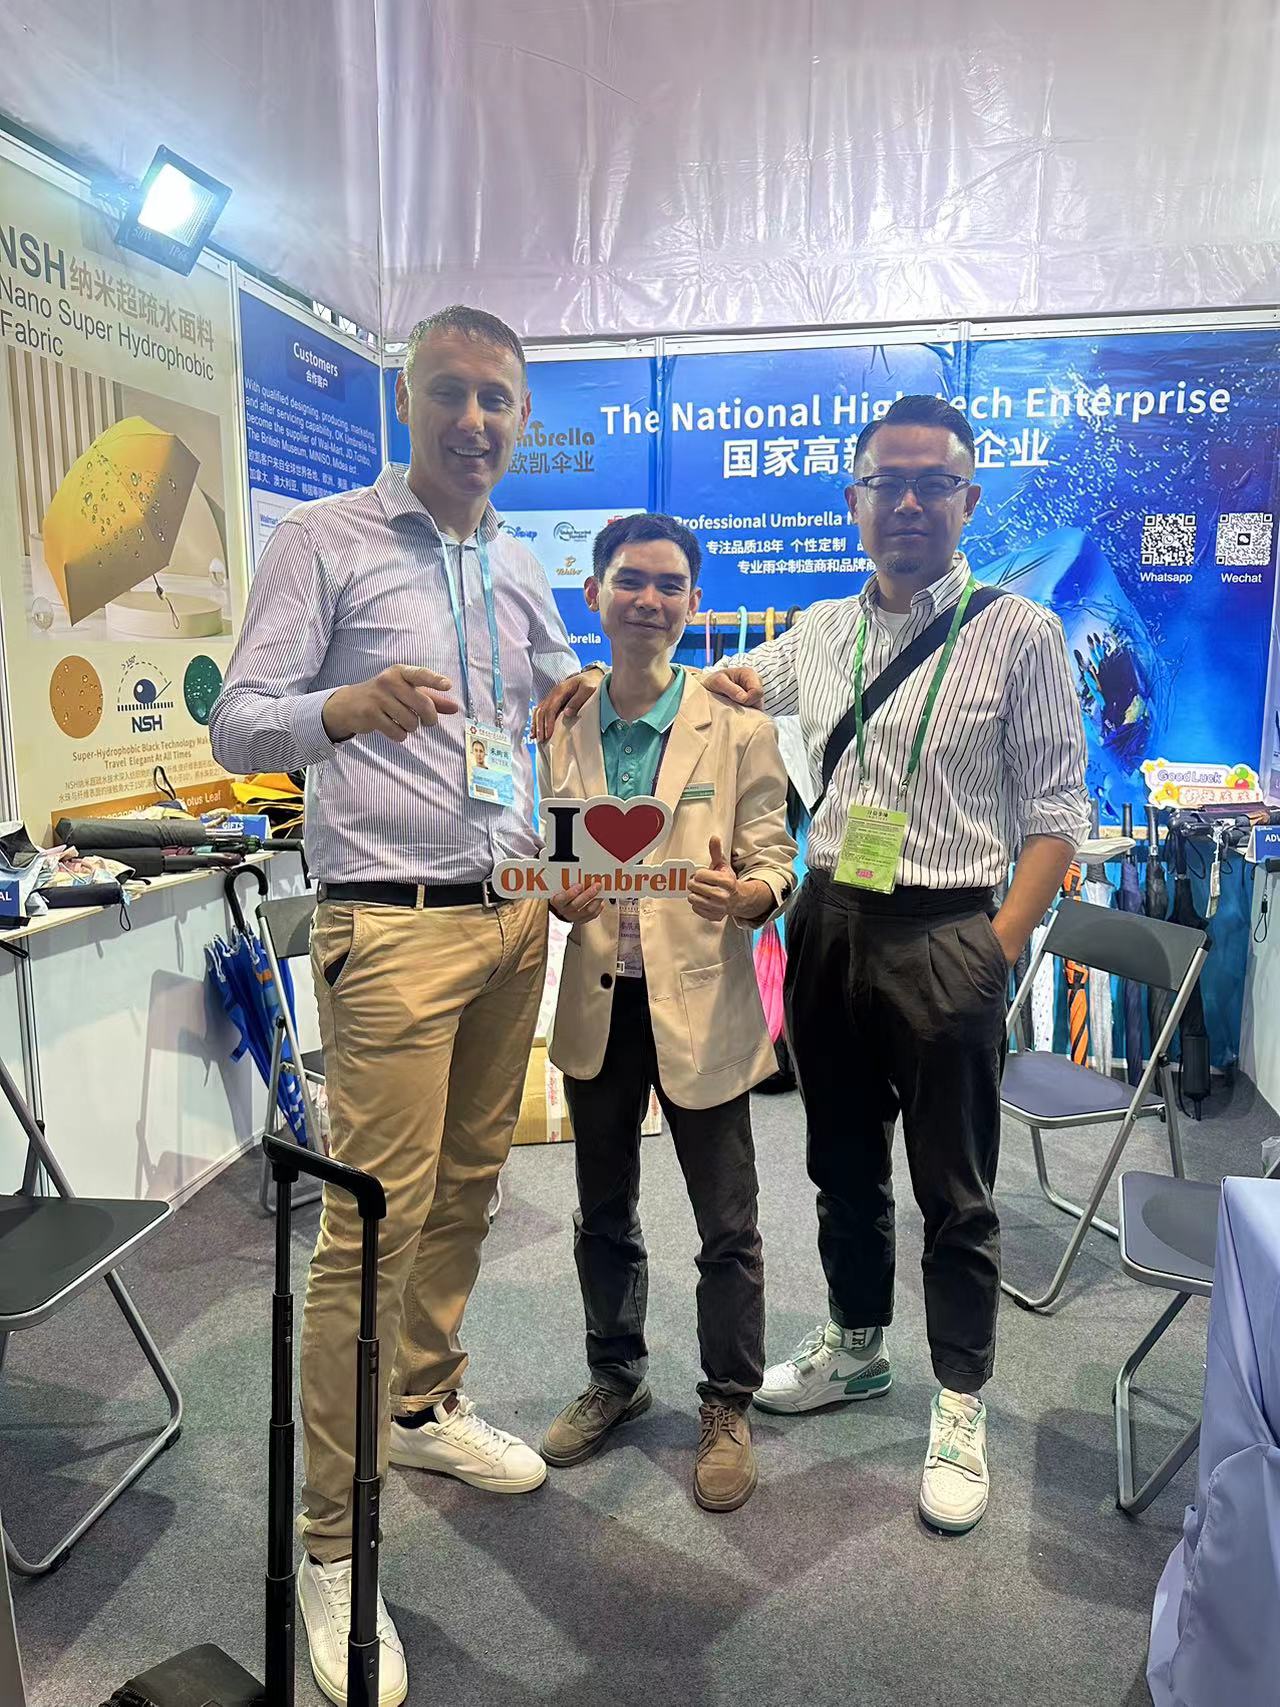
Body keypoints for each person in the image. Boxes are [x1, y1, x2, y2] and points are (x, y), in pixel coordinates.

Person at [536, 394, 1088, 1536]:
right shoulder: (819, 630)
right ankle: (856, 1342)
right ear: (853, 501)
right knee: (841, 1164)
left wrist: (994, 950)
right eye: (887, 483)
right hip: (830, 921)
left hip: (947, 928)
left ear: (968, 499)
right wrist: (591, 682)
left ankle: (960, 1398)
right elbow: (703, 689)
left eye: (933, 483)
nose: (908, 503)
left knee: (954, 1189)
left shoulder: (1021, 634)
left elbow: (1056, 815)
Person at [211, 305, 578, 1706]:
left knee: (470, 1185)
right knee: (371, 1227)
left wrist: (598, 718)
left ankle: (421, 1401)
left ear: (520, 418)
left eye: (498, 399)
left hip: (511, 919)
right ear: (405, 401)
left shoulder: (520, 562)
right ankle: (331, 1541)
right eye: (451, 394)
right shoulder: (324, 541)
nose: (475, 421)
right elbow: (236, 721)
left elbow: (556, 712)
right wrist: (344, 708)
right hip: (391, 925)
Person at [538, 513, 795, 1512]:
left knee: (726, 1222)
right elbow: (555, 855)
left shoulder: (737, 726)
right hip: (600, 1003)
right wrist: (561, 895)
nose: (648, 600)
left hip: (704, 1002)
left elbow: (772, 853)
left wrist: (753, 895)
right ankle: (615, 1374)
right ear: (595, 593)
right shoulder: (562, 721)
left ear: (692, 602)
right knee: (602, 1211)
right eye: (630, 581)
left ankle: (727, 1401)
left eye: (668, 585)